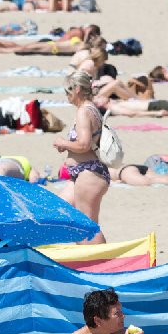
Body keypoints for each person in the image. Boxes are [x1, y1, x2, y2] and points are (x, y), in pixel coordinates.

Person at [53, 71, 109, 241]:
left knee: (88, 225)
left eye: (67, 91)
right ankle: (88, 255)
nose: (66, 96)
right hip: (83, 173)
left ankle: (104, 263)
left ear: (77, 89)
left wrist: (63, 143)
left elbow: (84, 144)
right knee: (60, 210)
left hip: (89, 173)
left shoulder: (84, 111)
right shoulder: (90, 109)